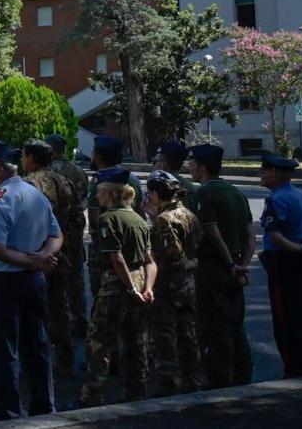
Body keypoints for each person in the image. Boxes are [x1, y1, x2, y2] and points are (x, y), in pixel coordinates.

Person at [0, 145, 62, 420]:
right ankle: (44, 405)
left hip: (6, 279)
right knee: (36, 343)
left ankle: (9, 410)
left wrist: (35, 261)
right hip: (34, 279)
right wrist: (43, 258)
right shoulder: (34, 193)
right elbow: (56, 235)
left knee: (4, 348)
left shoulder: (0, 198)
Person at [78, 167, 155, 408]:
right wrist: (147, 288)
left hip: (116, 284)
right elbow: (150, 261)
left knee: (100, 342)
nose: (97, 197)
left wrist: (130, 288)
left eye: (99, 192)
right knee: (136, 341)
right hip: (141, 280)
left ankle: (93, 395)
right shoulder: (139, 220)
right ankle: (136, 391)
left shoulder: (108, 219)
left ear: (110, 194)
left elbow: (116, 258)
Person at [186, 143, 255, 389]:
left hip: (215, 266)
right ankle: (243, 373)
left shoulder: (204, 193)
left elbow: (211, 229)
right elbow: (250, 234)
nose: (190, 168)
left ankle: (220, 379)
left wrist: (228, 263)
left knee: (215, 326)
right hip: (236, 264)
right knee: (235, 323)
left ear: (202, 167)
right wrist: (242, 265)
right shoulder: (236, 192)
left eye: (192, 164)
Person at [258, 151, 302, 378]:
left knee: (286, 318)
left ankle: (294, 367)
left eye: (264, 170)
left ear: (276, 173)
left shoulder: (276, 200)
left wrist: (300, 249)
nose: (261, 174)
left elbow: (275, 235)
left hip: (284, 262)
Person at [20, 139, 82, 379]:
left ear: (32, 158)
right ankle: (65, 360)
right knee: (59, 306)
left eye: (24, 155)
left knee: (33, 310)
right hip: (60, 252)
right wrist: (64, 248)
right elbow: (78, 218)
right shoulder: (64, 181)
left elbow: (26, 222)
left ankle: (35, 363)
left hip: (36, 255)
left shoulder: (28, 184)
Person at [145, 170, 202, 396]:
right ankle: (192, 378)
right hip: (188, 283)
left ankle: (170, 382)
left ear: (158, 193)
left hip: (169, 283)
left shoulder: (163, 220)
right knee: (188, 333)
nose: (148, 197)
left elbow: (173, 252)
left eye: (150, 193)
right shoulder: (188, 213)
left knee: (165, 335)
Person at [86, 136, 143, 303]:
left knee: (103, 298)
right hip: (132, 246)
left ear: (99, 157)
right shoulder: (132, 179)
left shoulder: (100, 180)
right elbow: (140, 213)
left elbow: (94, 219)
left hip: (105, 250)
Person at [47, 133, 89, 339]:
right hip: (73, 232)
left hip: (52, 236)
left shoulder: (46, 173)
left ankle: (56, 325)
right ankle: (79, 320)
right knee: (76, 279)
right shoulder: (78, 171)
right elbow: (82, 202)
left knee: (54, 283)